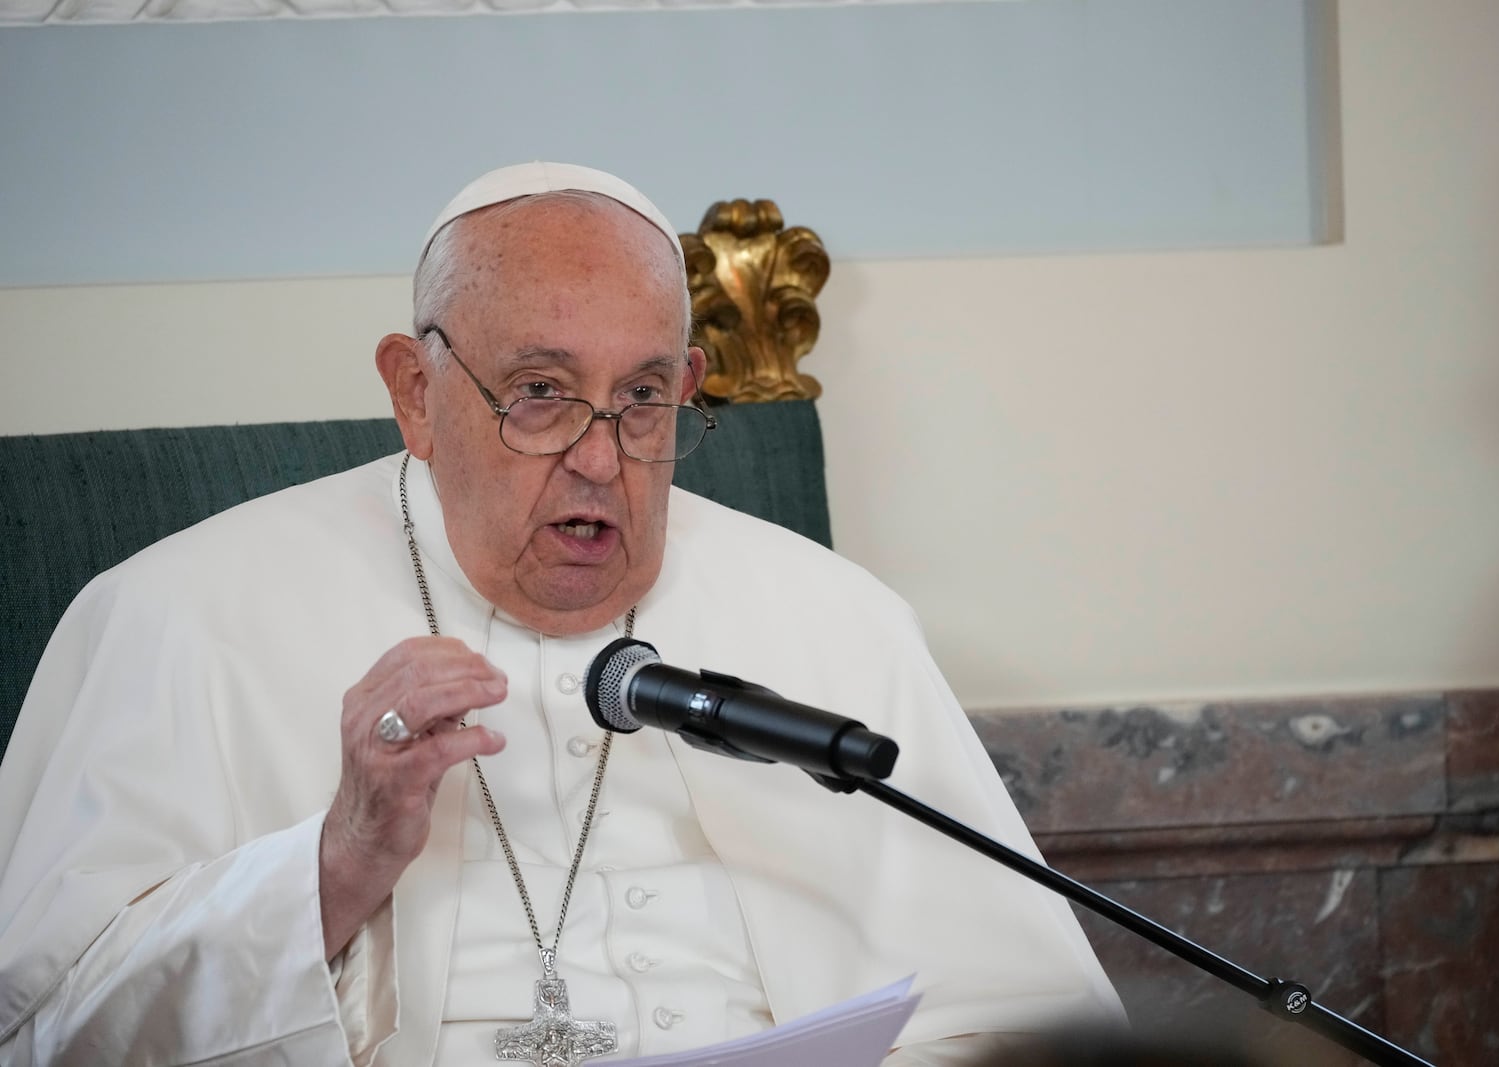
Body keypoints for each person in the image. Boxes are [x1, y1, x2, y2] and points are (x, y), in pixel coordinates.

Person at [0, 162, 1122, 1065]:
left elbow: (1013, 1016)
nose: (600, 457)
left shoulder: (834, 617)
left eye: (642, 397)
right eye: (538, 391)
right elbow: (54, 1028)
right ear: (415, 391)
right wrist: (339, 862)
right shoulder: (183, 614)